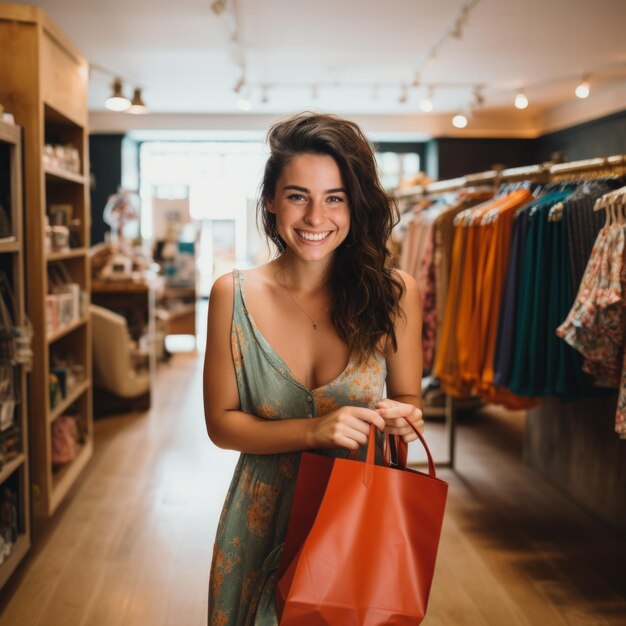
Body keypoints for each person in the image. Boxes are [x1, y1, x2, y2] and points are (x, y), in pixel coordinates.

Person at [204, 112, 424, 626]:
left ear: (355, 205)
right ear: (271, 201)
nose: (315, 217)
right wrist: (313, 429)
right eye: (298, 195)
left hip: (352, 515)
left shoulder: (395, 295)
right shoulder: (231, 295)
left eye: (335, 198)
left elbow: (411, 402)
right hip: (258, 519)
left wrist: (403, 417)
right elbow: (220, 425)